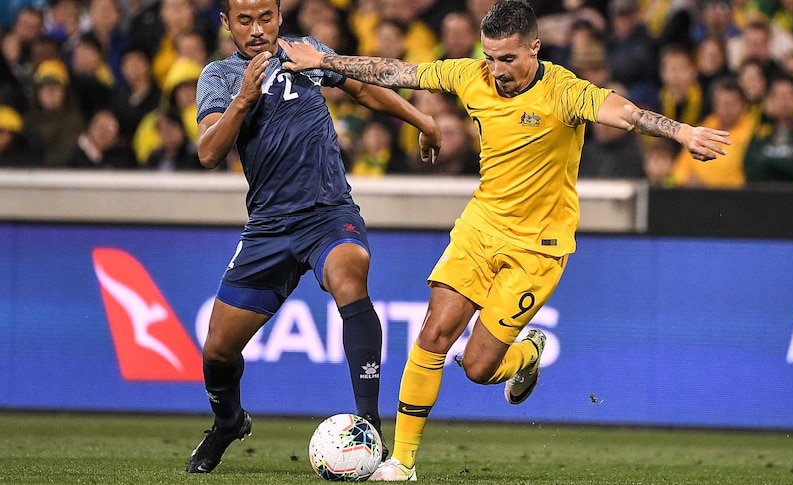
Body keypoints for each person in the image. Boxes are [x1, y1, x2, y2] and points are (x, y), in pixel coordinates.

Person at [282, 0, 730, 480]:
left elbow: (623, 111)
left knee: (477, 368)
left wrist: (681, 131)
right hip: (480, 229)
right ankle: (403, 463)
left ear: (534, 48)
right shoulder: (470, 75)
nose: (496, 70)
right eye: (490, 57)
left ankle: (526, 353)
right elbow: (397, 71)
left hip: (538, 249)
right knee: (433, 334)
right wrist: (325, 61)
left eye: (508, 59)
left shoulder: (564, 92)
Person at [185, 0, 441, 474]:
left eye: (266, 17)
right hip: (268, 228)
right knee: (218, 350)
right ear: (226, 24)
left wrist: (422, 121)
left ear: (279, 17)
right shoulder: (219, 77)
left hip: (328, 212)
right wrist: (244, 97)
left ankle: (369, 426)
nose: (257, 29)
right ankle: (227, 422)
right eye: (245, 20)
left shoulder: (306, 54)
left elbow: (364, 90)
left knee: (351, 275)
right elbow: (208, 152)